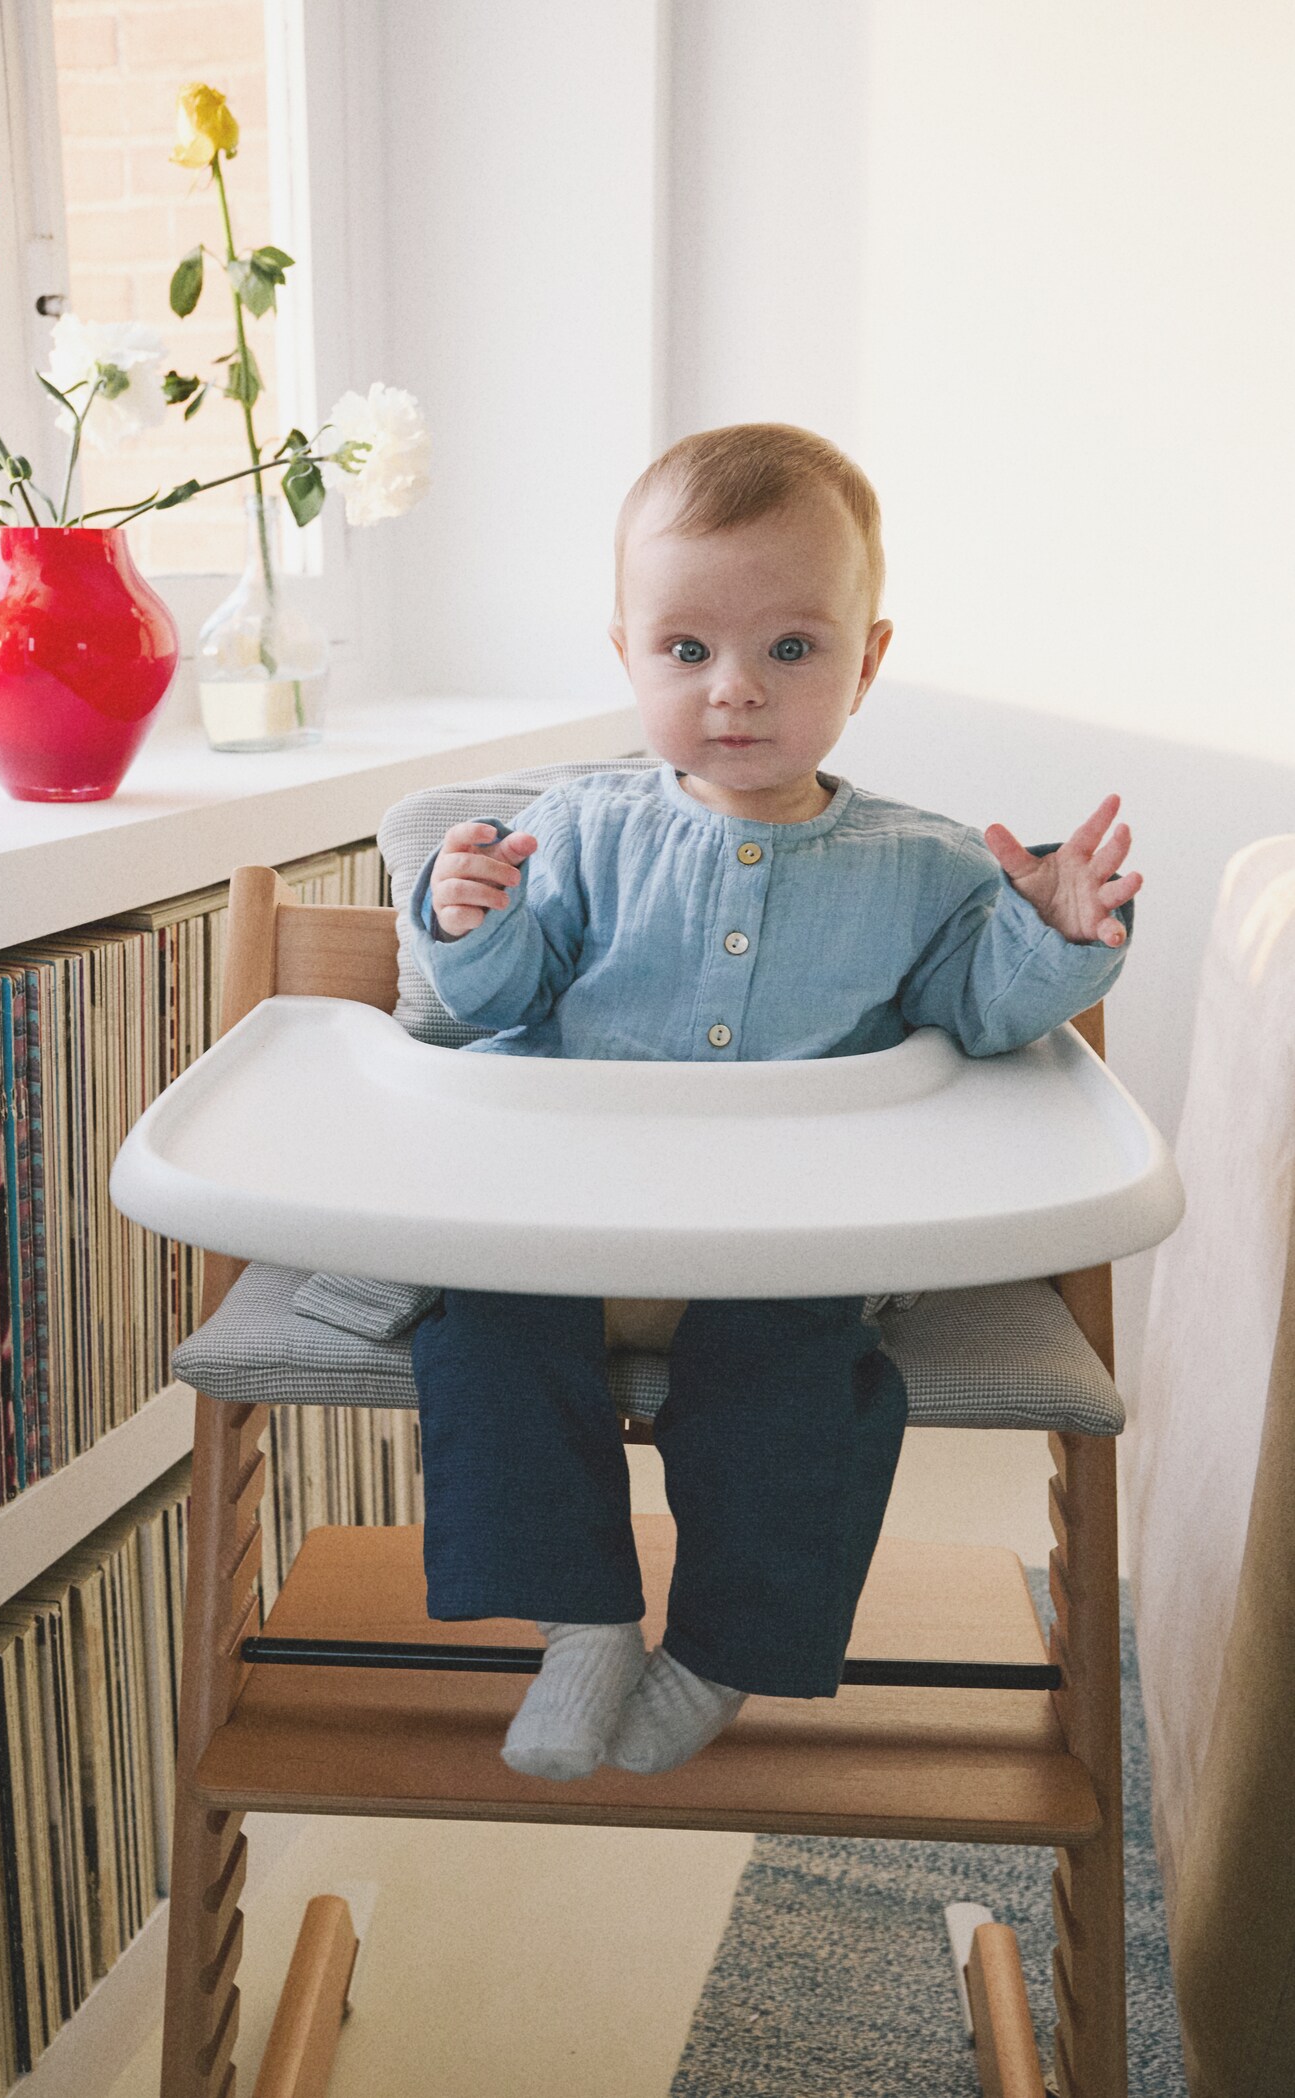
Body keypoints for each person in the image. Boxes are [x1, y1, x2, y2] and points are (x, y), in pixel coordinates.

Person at [405, 422, 1141, 1784]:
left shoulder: (926, 866)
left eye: (790, 649)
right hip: (576, 1227)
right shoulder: (571, 829)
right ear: (626, 649)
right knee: (477, 1331)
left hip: (790, 1248)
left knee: (808, 1389)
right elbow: (497, 1002)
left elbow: (985, 1005)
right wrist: (465, 915)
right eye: (686, 650)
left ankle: (727, 1648)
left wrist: (1059, 937)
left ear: (866, 659)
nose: (734, 690)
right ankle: (583, 1620)